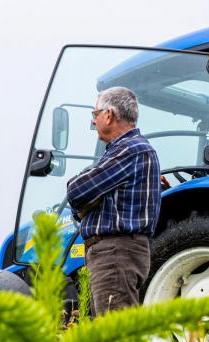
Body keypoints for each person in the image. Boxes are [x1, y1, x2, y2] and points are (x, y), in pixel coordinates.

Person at [66, 87, 160, 315]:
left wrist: (84, 203)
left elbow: (76, 190)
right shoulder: (123, 151)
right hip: (117, 251)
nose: (93, 122)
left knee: (114, 337)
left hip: (115, 251)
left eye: (94, 115)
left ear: (108, 114)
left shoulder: (131, 150)